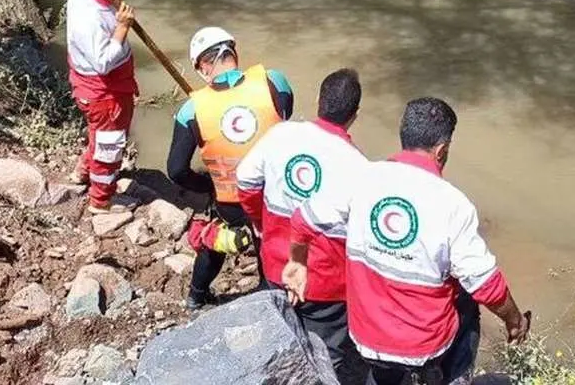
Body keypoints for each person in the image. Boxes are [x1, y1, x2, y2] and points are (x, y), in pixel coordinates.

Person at [284, 97, 529, 385]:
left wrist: (297, 262)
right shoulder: (453, 204)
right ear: (442, 151)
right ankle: (454, 379)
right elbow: (487, 285)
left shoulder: (361, 177)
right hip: (423, 350)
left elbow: (303, 219)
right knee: (466, 300)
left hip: (364, 339)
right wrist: (515, 322)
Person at [236, 69, 369, 384]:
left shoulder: (280, 135)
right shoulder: (359, 166)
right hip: (326, 283)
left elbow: (245, 180)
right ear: (355, 115)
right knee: (327, 356)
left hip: (275, 265)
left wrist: (258, 221)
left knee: (277, 340)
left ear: (319, 101)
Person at [168, 26, 293, 309]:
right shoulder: (275, 81)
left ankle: (196, 296)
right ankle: (269, 293)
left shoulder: (191, 110)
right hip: (274, 194)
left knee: (218, 237)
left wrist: (209, 185)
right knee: (268, 237)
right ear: (233, 53)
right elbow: (284, 121)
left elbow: (176, 170)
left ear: (202, 67)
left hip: (230, 200)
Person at [66, 0, 138, 214]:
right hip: (104, 94)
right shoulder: (90, 15)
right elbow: (103, 61)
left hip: (100, 89)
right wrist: (122, 28)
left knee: (99, 135)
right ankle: (101, 201)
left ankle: (82, 172)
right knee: (110, 145)